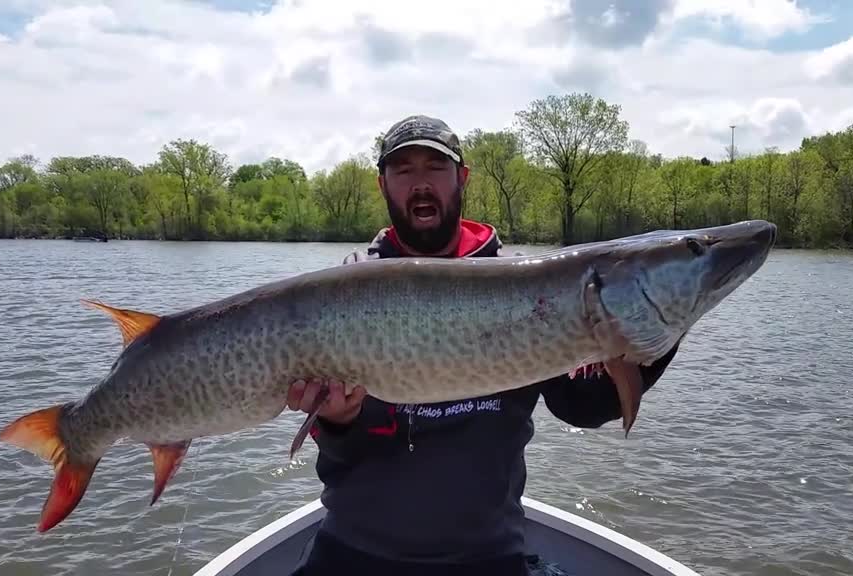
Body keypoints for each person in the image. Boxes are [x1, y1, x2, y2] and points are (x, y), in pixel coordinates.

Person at [286, 115, 681, 576]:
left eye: (435, 166)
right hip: (354, 552)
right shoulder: (347, 290)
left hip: (487, 558)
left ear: (462, 178)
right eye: (403, 170)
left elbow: (581, 406)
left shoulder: (531, 288)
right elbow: (346, 452)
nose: (420, 184)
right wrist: (338, 420)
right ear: (382, 185)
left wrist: (662, 325)